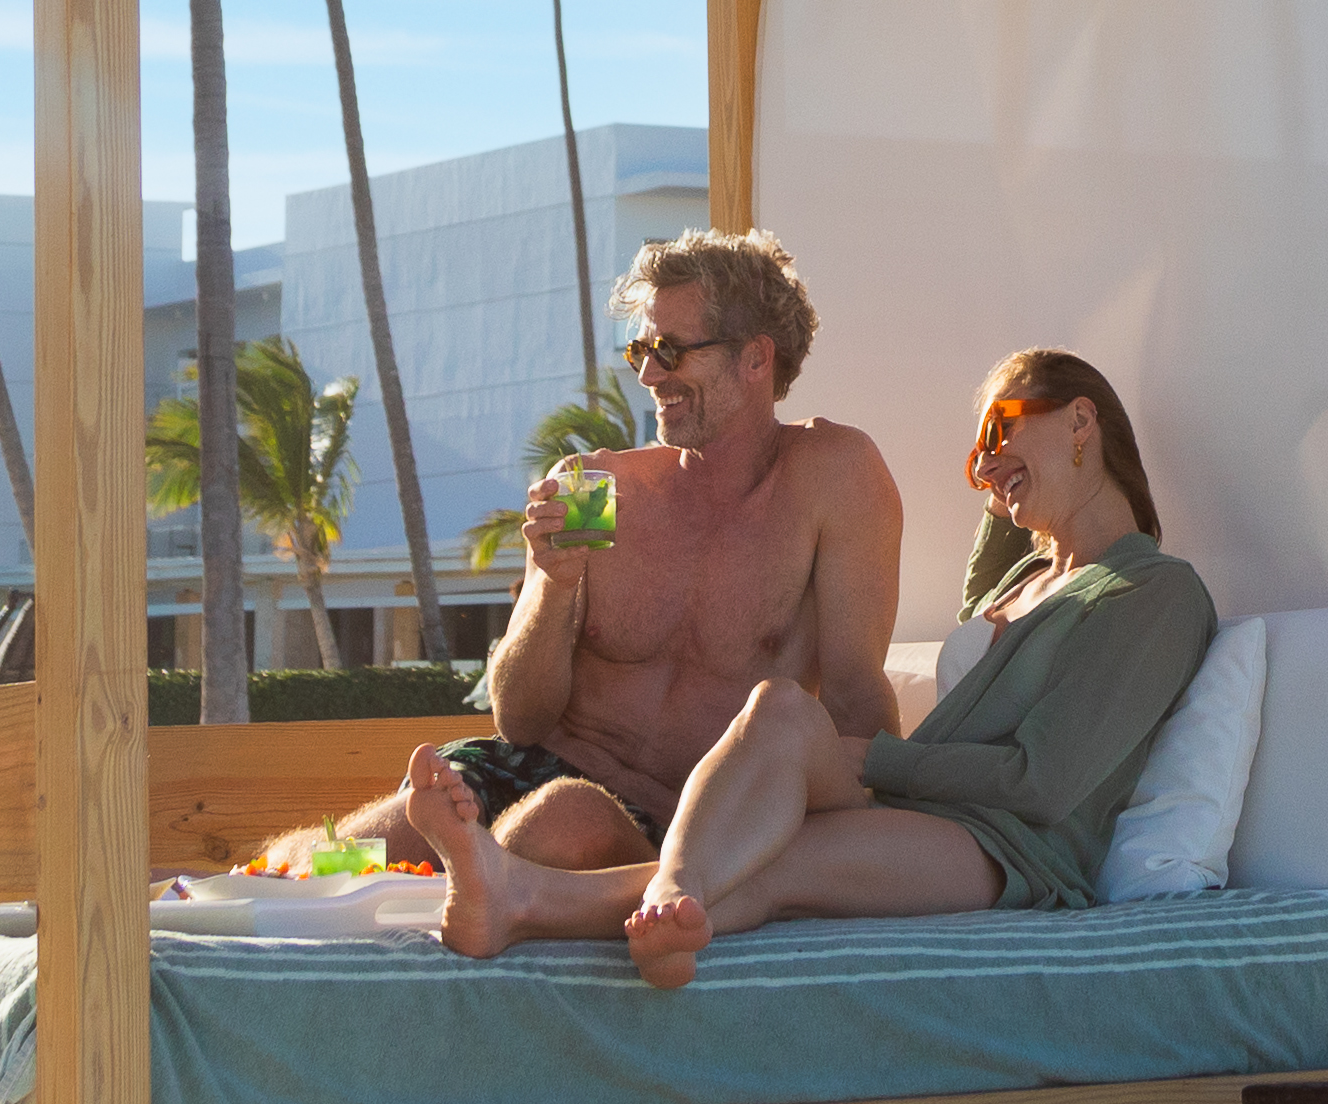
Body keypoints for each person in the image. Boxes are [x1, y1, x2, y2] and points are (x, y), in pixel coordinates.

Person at [414, 348, 1219, 986]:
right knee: (782, 709)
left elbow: (1043, 782)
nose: (982, 466)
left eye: (999, 429)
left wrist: (881, 757)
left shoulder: (1155, 592)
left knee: (777, 864)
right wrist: (1007, 465)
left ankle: (532, 898)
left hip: (1010, 847)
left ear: (1084, 420)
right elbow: (1008, 537)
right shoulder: (1023, 579)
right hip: (912, 804)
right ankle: (671, 883)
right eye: (975, 453)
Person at [355, 228, 902, 874]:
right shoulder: (597, 482)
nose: (648, 373)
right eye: (642, 347)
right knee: (342, 854)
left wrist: (875, 856)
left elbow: (857, 703)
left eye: (670, 349)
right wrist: (555, 587)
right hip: (533, 768)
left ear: (756, 357)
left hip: (676, 824)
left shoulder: (834, 477)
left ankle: (487, 885)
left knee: (564, 825)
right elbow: (520, 718)